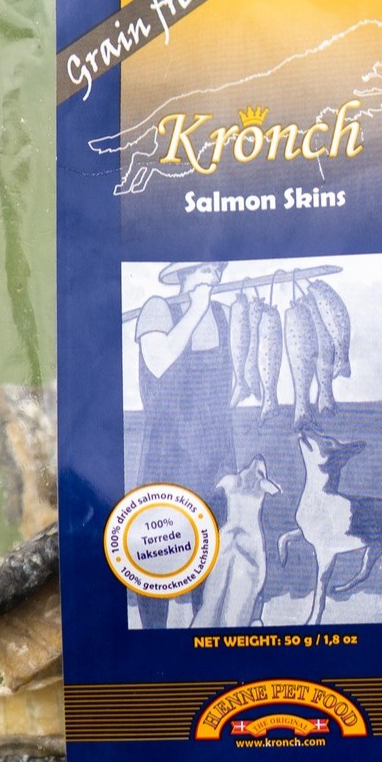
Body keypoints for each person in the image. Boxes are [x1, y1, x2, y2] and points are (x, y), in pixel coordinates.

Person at [131, 261, 235, 628]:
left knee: (213, 552)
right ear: (184, 274)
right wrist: (196, 308)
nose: (215, 275)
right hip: (168, 453)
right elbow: (159, 362)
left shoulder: (223, 314)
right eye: (206, 269)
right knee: (157, 552)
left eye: (217, 269)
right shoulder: (157, 309)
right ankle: (153, 641)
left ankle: (203, 633)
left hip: (215, 453)